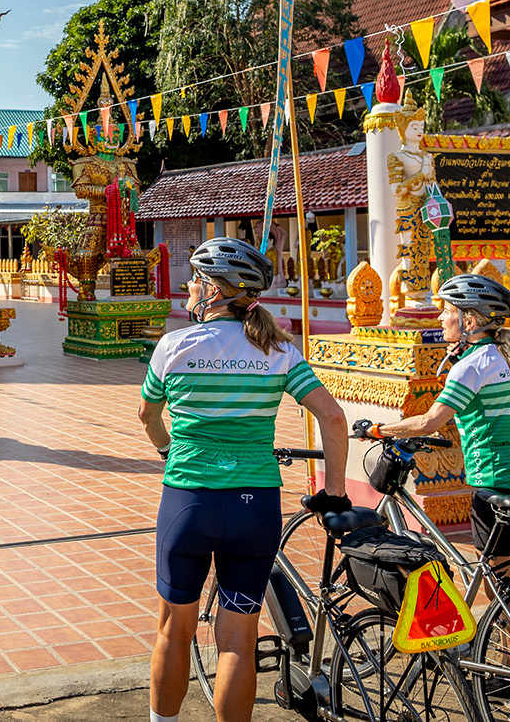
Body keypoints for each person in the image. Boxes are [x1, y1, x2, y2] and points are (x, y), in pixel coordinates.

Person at [139, 237, 349, 722]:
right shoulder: (277, 349)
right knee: (238, 638)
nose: (189, 285)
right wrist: (335, 489)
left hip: (189, 501)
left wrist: (168, 450)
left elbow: (147, 415)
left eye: (196, 278)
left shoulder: (174, 345)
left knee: (174, 629)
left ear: (214, 291)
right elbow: (333, 418)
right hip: (255, 508)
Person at [358, 272, 510, 574]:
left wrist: (376, 429)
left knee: (496, 585)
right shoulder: (509, 355)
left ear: (469, 322)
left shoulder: (472, 365)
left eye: (447, 311)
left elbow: (429, 423)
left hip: (494, 481)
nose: (441, 318)